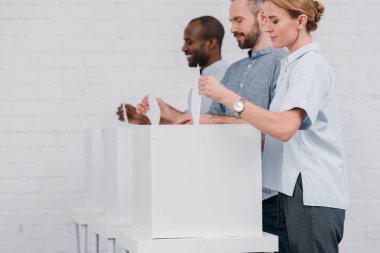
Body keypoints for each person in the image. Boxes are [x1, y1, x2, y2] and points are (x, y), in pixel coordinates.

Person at [196, 0, 349, 252]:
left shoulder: (310, 65)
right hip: (293, 191)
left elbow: (284, 128)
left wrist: (228, 97)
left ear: (300, 21)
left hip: (310, 192)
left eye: (275, 20)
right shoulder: (293, 65)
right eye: (265, 19)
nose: (267, 27)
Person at [176, 0, 288, 252]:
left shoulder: (282, 62)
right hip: (231, 198)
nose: (233, 28)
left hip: (270, 200)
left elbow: (275, 131)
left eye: (238, 20)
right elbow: (208, 125)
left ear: (261, 17)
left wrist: (213, 120)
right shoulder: (234, 70)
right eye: (231, 21)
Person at [116, 16, 228, 123]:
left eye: (189, 42)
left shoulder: (230, 77)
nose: (183, 48)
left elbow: (217, 127)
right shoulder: (201, 81)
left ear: (211, 43)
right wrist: (147, 119)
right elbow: (192, 123)